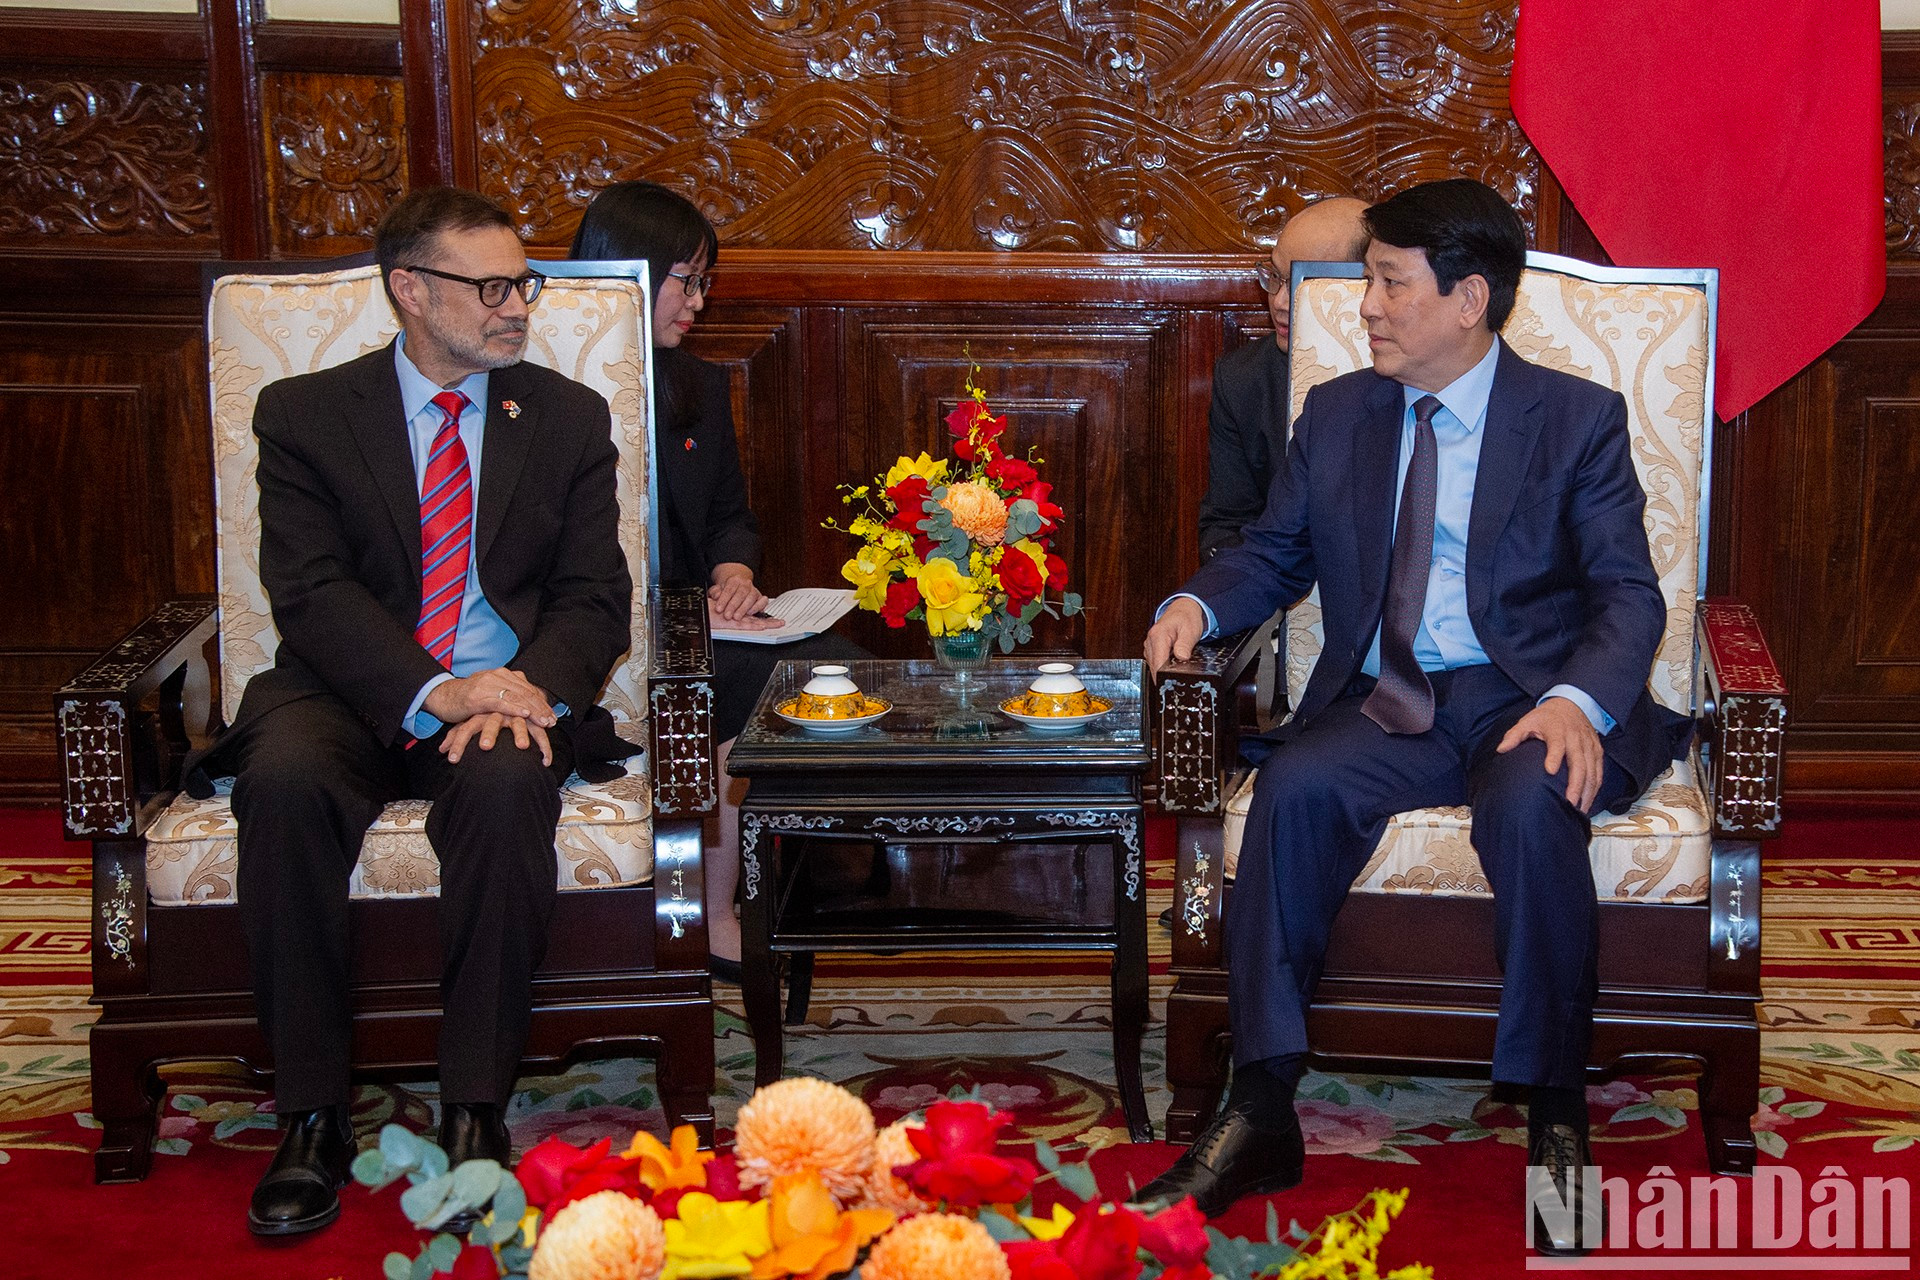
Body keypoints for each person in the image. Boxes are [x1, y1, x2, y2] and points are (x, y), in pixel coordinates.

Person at [1137, 179, 1690, 1254]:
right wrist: (1198, 600)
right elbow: (1277, 550)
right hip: (1391, 695)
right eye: (1368, 283)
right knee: (1293, 791)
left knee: (1533, 806)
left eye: (1389, 283)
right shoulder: (1339, 411)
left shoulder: (1574, 418)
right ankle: (1257, 1103)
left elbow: (1628, 590)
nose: (1366, 308)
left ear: (1469, 297)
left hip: (1526, 691)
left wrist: (1579, 701)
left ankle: (1556, 1107)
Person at [194, 186, 635, 1236]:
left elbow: (593, 598)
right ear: (409, 288)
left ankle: (475, 1107)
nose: (516, 306)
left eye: (521, 284)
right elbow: (306, 588)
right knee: (286, 779)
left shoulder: (566, 416)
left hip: (506, 694)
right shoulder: (305, 413)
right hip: (348, 691)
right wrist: (434, 689)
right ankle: (312, 1114)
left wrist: (528, 687)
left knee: (505, 779)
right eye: (489, 286)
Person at [570, 181, 867, 983]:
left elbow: (731, 515)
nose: (698, 301)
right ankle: (710, 908)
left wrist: (735, 572)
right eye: (686, 279)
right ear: (625, 270)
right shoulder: (550, 388)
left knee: (830, 661)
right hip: (595, 627)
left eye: (706, 282)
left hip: (700, 616)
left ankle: (794, 882)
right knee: (760, 677)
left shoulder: (695, 384)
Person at [1200, 196, 1369, 559]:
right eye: (1274, 276)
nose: (1278, 300)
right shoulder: (1243, 379)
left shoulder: (1414, 369)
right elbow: (1227, 524)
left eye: (1302, 281)